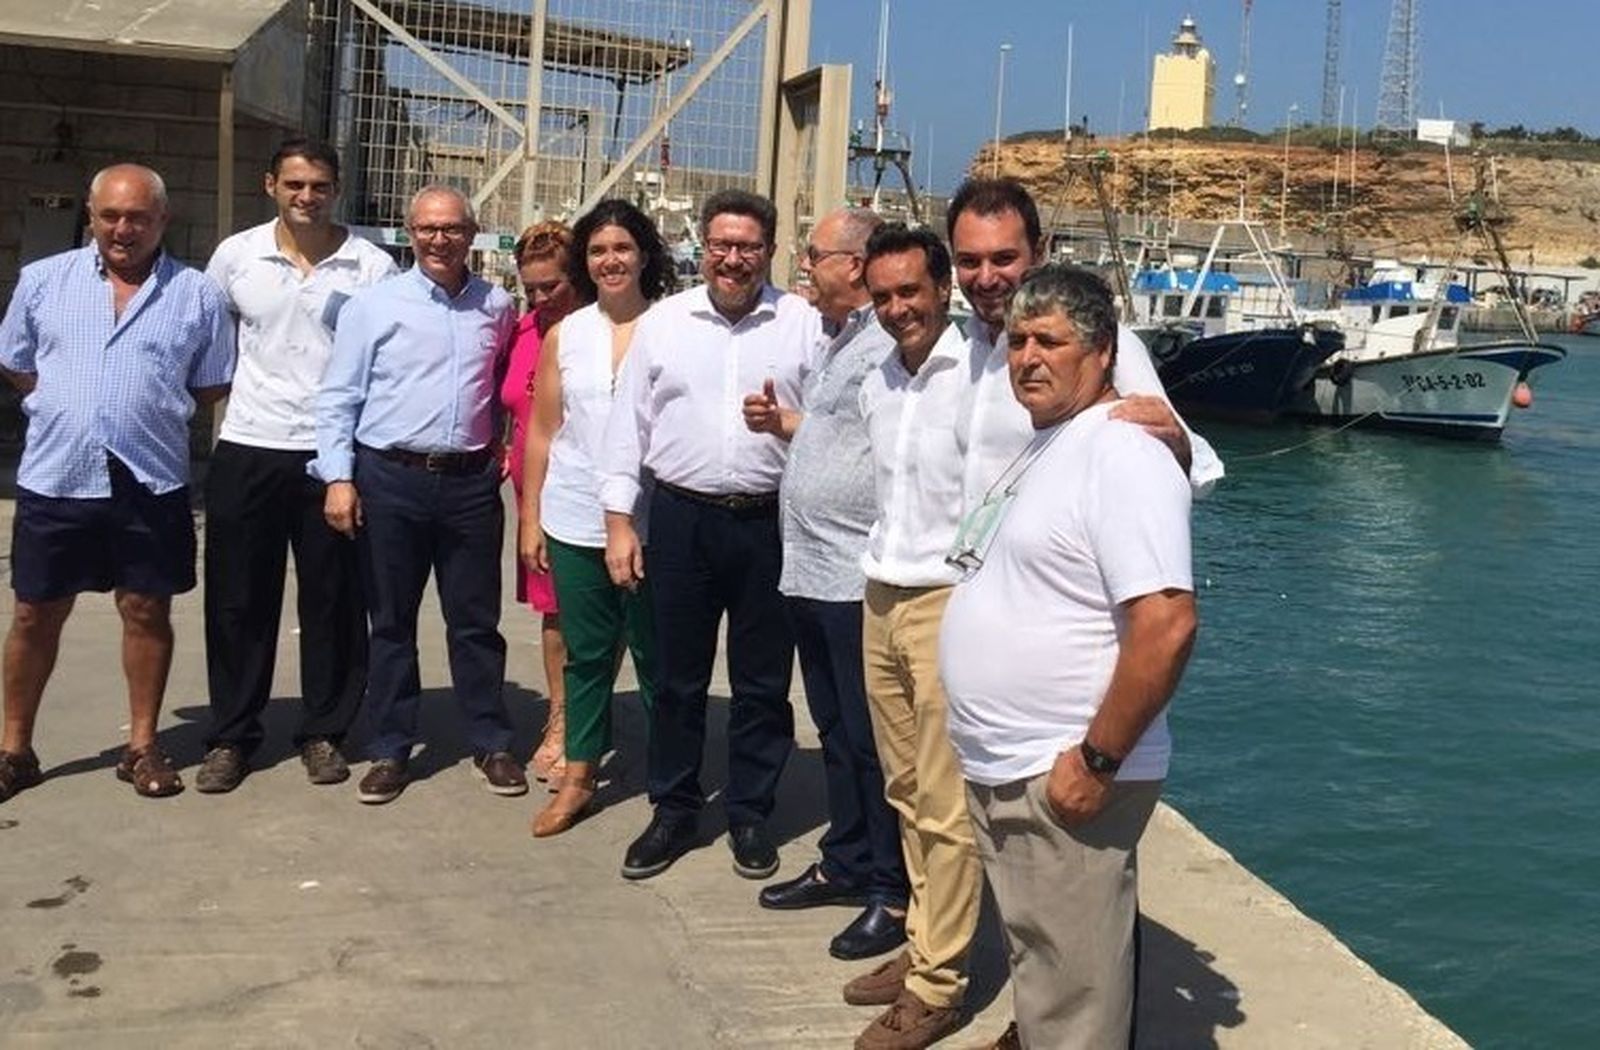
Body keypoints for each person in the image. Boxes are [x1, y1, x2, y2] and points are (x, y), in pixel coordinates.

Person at [940, 265, 1197, 1048]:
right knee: (1046, 976)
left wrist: (1095, 760)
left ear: (1103, 352)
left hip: (1059, 772)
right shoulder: (1055, 441)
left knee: (1078, 1004)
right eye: (1017, 341)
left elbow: (1168, 623)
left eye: (1050, 340)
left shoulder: (1121, 451)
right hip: (1008, 766)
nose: (1028, 357)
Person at [600, 189, 822, 881]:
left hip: (769, 523)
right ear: (703, 246)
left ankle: (751, 811)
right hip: (681, 518)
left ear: (770, 251)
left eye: (749, 247)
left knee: (762, 683)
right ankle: (673, 807)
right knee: (675, 678)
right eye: (722, 245)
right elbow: (625, 430)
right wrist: (619, 526)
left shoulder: (803, 325)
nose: (734, 259)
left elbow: (837, 429)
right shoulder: (663, 324)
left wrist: (786, 424)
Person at [0, 163, 234, 803]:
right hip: (57, 474)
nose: (122, 229)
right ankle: (14, 750)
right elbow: (17, 361)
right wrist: (67, 406)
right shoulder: (44, 281)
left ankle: (142, 744)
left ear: (163, 220)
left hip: (148, 477)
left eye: (138, 217)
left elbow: (211, 381)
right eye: (110, 216)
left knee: (146, 609)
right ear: (90, 214)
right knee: (33, 612)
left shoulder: (197, 294)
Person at [312, 184, 526, 805]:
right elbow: (338, 397)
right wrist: (338, 477)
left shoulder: (496, 306)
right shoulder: (374, 306)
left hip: (468, 484)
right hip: (391, 478)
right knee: (391, 622)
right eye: (429, 229)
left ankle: (490, 739)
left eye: (453, 228)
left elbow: (506, 388)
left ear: (473, 232)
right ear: (411, 233)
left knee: (475, 621)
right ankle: (390, 747)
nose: (441, 240)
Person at [196, 137, 397, 793]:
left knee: (335, 600)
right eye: (294, 185)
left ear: (336, 188)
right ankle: (231, 735)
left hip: (333, 455)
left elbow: (386, 360)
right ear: (270, 186)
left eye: (318, 185)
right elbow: (206, 338)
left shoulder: (370, 265)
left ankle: (323, 731)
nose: (306, 197)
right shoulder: (236, 257)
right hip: (249, 446)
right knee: (237, 600)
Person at [742, 207, 910, 961]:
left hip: (852, 576)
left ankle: (889, 888)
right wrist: (789, 424)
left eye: (815, 255)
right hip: (810, 569)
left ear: (856, 263)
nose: (804, 268)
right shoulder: (843, 341)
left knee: (871, 743)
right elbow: (839, 435)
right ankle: (846, 860)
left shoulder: (893, 344)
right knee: (837, 734)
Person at [845, 224, 979, 1050]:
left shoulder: (982, 378)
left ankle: (940, 982)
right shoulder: (879, 379)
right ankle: (924, 939)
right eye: (884, 295)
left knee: (947, 804)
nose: (899, 309)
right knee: (904, 791)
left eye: (912, 292)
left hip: (944, 601)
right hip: (881, 592)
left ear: (943, 290)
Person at [520, 199, 674, 837]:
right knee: (585, 655)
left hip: (653, 518)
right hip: (575, 513)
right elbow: (542, 432)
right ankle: (580, 775)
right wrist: (529, 518)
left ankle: (674, 783)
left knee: (659, 655)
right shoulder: (568, 334)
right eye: (597, 251)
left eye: (622, 248)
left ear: (643, 255)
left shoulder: (673, 325)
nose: (610, 261)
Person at [504, 220, 578, 785]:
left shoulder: (597, 331)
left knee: (593, 616)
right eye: (530, 286)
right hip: (532, 494)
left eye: (550, 285)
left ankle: (584, 725)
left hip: (585, 492)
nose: (538, 297)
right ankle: (560, 716)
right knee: (553, 613)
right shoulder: (522, 329)